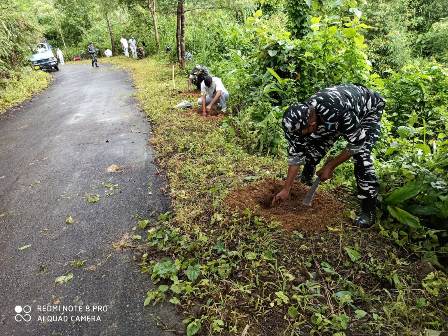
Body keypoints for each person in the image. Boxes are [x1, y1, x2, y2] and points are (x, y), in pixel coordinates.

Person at [272, 84, 386, 228]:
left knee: (362, 157)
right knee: (311, 142)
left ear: (312, 124)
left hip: (368, 109)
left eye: (303, 131)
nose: (299, 136)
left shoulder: (337, 112)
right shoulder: (299, 118)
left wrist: (330, 166)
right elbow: (296, 153)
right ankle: (306, 178)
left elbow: (357, 143)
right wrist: (286, 189)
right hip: (334, 117)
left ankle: (368, 211)